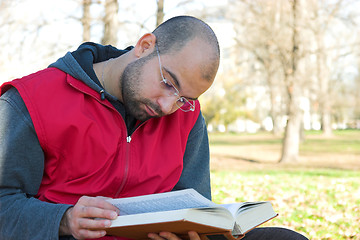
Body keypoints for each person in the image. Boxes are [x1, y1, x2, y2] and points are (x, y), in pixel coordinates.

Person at [0, 15, 307, 240]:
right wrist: (63, 220)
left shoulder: (187, 116)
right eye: (168, 83)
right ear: (145, 46)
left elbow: (196, 206)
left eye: (184, 98)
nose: (167, 106)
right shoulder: (30, 101)